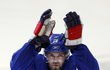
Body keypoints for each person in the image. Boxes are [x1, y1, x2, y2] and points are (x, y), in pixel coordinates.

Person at [10, 9, 99, 70]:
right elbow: (16, 67)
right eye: (51, 55)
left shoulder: (74, 62)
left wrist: (77, 47)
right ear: (46, 56)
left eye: (60, 55)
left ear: (66, 56)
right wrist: (33, 45)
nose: (55, 60)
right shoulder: (37, 63)